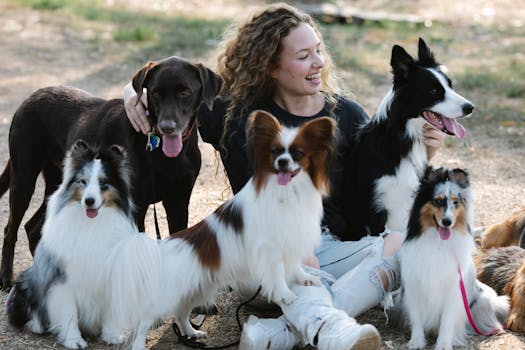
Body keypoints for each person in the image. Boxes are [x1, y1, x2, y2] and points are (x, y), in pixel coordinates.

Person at [123, 3, 446, 349]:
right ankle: (330, 330)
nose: (318, 63)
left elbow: (380, 194)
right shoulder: (235, 113)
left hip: (328, 248)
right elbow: (172, 82)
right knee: (294, 269)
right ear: (271, 65)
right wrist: (133, 94)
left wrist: (425, 152)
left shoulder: (347, 115)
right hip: (261, 256)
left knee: (400, 249)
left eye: (319, 51)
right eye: (304, 55)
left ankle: (277, 333)